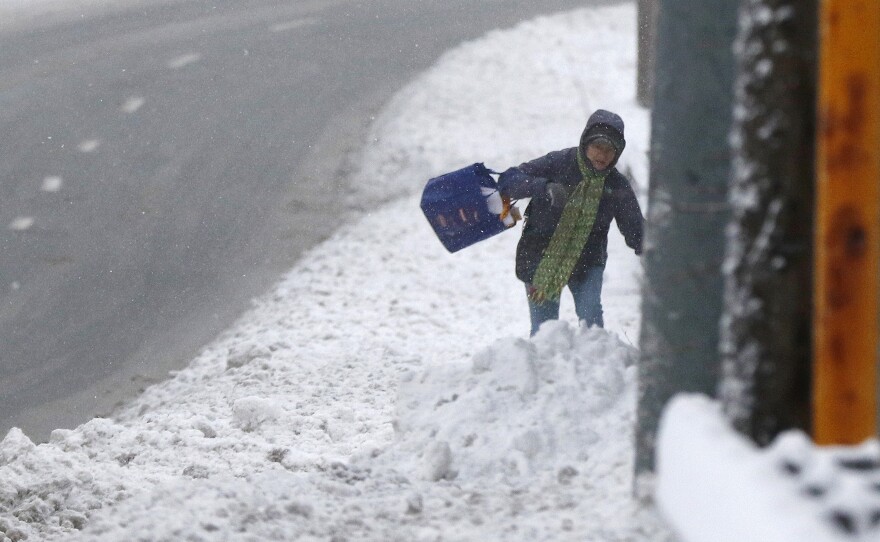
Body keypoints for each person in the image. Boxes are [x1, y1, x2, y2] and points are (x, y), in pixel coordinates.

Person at [497, 109, 644, 336]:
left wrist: (659, 253)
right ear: (585, 143)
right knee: (544, 332)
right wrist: (543, 188)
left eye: (609, 149)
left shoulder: (616, 185)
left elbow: (635, 227)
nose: (602, 155)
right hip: (541, 258)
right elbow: (508, 180)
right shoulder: (559, 163)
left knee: (592, 322)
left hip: (587, 263)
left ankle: (596, 367)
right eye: (597, 146)